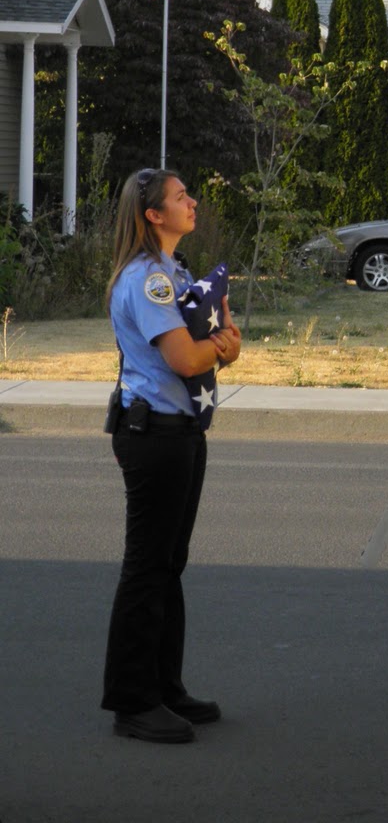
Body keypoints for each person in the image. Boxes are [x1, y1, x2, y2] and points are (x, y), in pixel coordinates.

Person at [101, 167, 241, 744]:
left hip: (180, 430)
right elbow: (188, 360)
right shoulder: (147, 280)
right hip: (152, 433)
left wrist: (220, 347)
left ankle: (165, 686)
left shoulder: (176, 271)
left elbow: (219, 339)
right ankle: (133, 702)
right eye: (181, 197)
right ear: (153, 215)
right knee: (147, 564)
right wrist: (220, 349)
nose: (193, 202)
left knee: (169, 563)